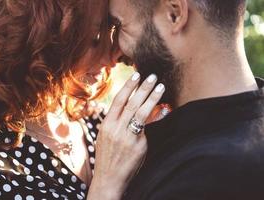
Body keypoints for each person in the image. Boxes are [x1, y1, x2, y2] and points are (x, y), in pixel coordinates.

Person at [0, 0, 166, 199]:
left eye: (112, 33)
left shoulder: (99, 122)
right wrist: (105, 185)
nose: (112, 56)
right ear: (38, 39)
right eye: (94, 39)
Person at [97, 0, 264, 199]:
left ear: (174, 14)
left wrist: (104, 189)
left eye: (119, 25)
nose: (116, 53)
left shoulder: (206, 178)